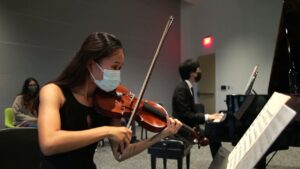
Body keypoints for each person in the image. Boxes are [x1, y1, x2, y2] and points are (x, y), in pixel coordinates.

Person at [37, 32, 182, 169]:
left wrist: (160, 136)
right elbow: (49, 143)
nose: (117, 74)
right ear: (91, 64)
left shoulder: (110, 103)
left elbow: (121, 153)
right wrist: (106, 131)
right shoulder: (53, 92)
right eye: (114, 67)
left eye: (120, 68)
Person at [172, 59, 224, 148]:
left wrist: (208, 116)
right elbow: (185, 115)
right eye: (198, 69)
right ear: (192, 73)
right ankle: (220, 160)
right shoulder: (182, 89)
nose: (200, 71)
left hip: (187, 126)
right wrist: (207, 117)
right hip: (182, 129)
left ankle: (219, 160)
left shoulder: (188, 87)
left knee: (212, 132)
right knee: (212, 134)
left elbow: (190, 111)